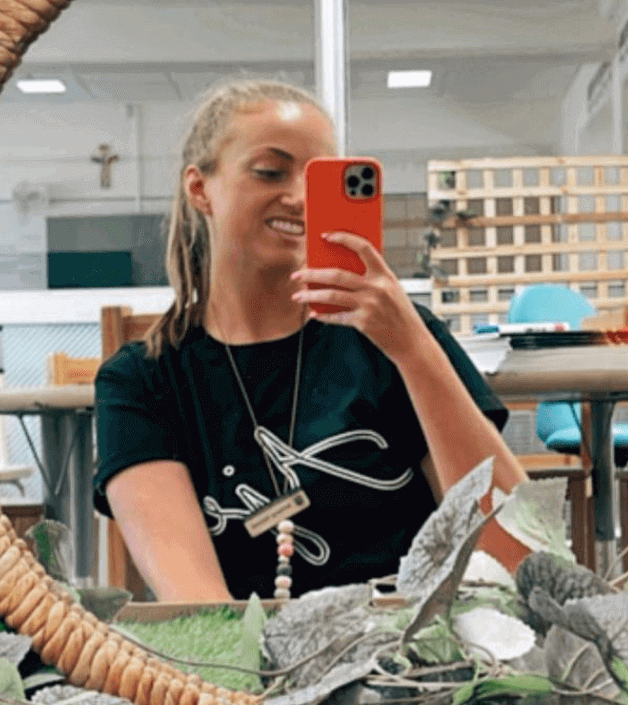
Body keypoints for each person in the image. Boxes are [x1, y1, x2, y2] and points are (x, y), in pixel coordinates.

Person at [92, 78, 529, 602]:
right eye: (269, 172)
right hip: (249, 670)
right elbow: (198, 607)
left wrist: (413, 351)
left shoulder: (391, 340)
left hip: (414, 659)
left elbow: (515, 550)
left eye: (321, 178)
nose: (299, 198)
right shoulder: (145, 382)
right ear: (199, 189)